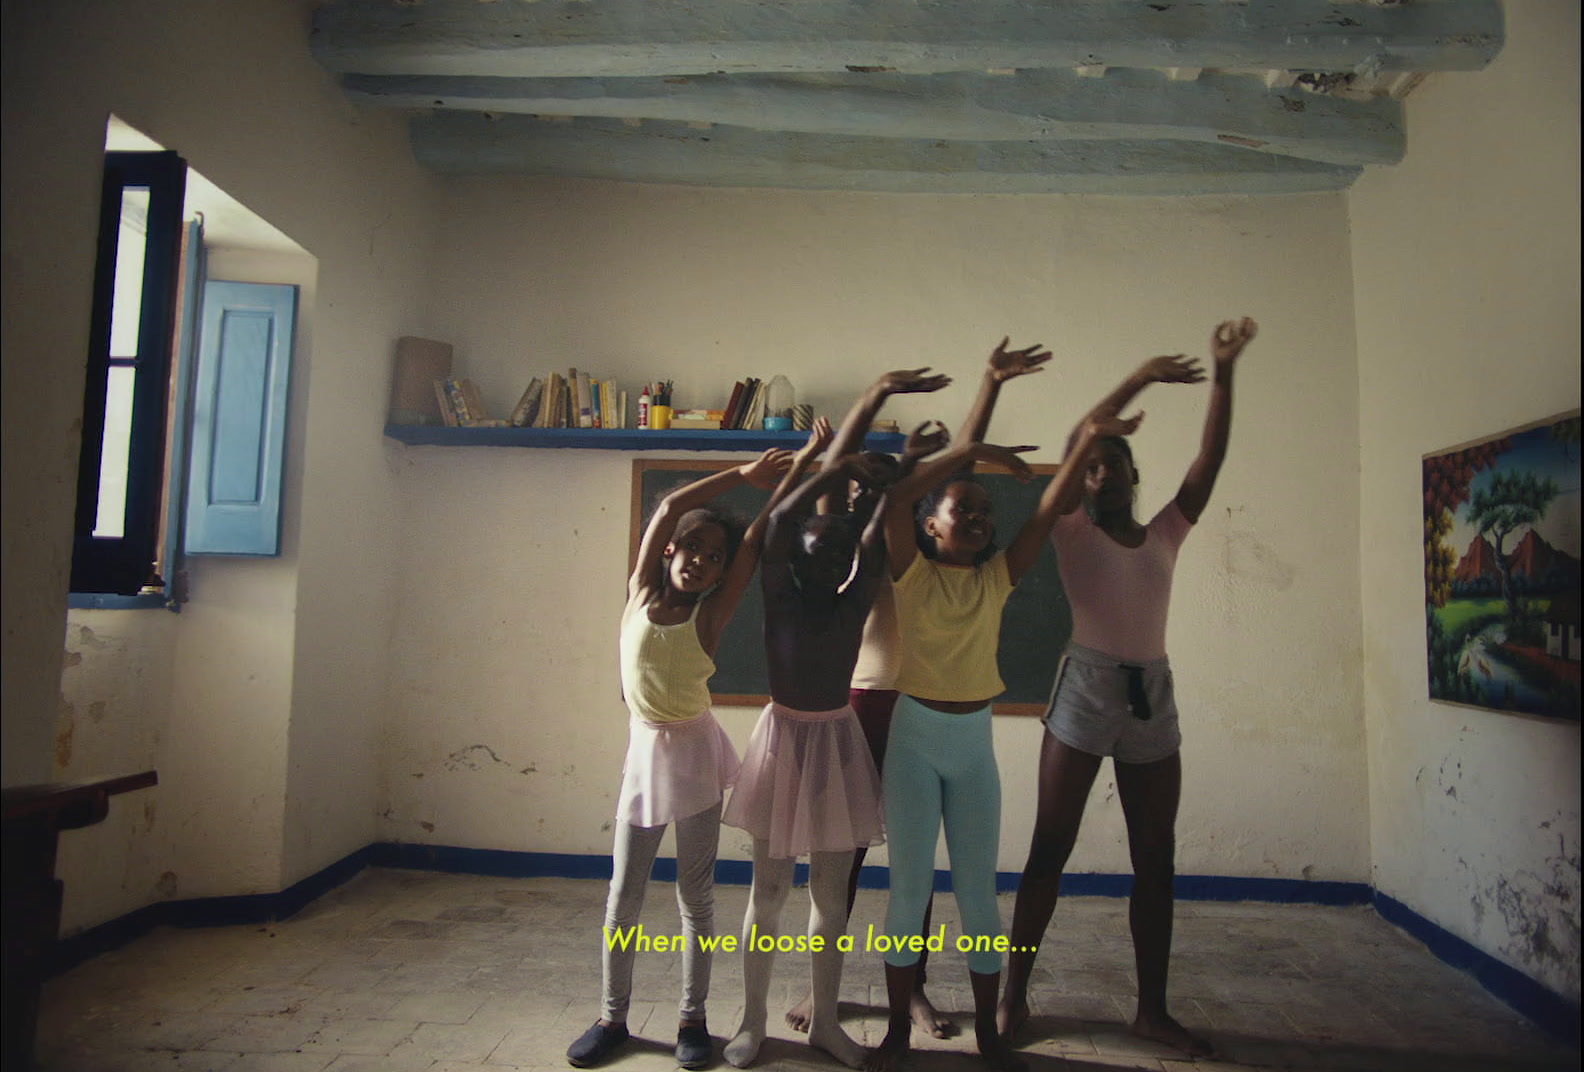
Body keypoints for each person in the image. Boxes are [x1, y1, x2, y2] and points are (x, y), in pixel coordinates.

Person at [868, 342, 1142, 1072]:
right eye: (967, 508)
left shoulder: (998, 578)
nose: (984, 520)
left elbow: (1051, 502)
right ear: (933, 524)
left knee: (981, 901)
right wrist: (981, 420)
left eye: (989, 513)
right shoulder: (912, 572)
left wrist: (1114, 401)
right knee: (908, 894)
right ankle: (897, 1029)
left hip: (972, 745)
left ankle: (991, 1033)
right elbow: (895, 496)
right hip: (914, 737)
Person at [996, 318, 1258, 1059]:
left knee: (1156, 857)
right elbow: (1082, 431)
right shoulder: (1072, 531)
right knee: (1050, 847)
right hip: (1085, 688)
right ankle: (1014, 994)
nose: (1101, 473)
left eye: (1115, 464)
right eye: (1091, 466)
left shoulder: (1168, 534)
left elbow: (1210, 459)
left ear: (1134, 477)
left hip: (1154, 695)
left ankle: (1151, 1010)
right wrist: (1138, 377)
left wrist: (1224, 369)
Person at [786, 347, 1050, 1042]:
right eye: (857, 486)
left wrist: (988, 390)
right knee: (845, 861)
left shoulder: (929, 554)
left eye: (878, 484)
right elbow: (832, 479)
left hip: (920, 710)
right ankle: (827, 988)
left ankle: (917, 992)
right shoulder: (848, 544)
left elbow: (960, 469)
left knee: (916, 867)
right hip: (863, 706)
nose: (862, 493)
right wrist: (869, 408)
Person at [721, 372, 949, 1068]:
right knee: (768, 892)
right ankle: (753, 1022)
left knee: (829, 892)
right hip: (785, 739)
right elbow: (787, 519)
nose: (828, 555)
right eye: (814, 547)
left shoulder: (852, 600)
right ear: (796, 555)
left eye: (839, 551)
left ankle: (824, 1020)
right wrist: (864, 415)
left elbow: (875, 527)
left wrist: (902, 467)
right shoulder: (779, 594)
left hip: (837, 741)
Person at [566, 447, 794, 1070]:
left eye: (713, 557)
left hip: (693, 757)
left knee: (696, 897)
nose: (700, 561)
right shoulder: (639, 592)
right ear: (668, 549)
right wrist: (744, 475)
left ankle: (693, 1020)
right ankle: (612, 1016)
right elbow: (669, 504)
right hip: (645, 756)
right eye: (692, 547)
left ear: (721, 574)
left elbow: (753, 544)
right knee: (624, 895)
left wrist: (780, 489)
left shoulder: (710, 615)